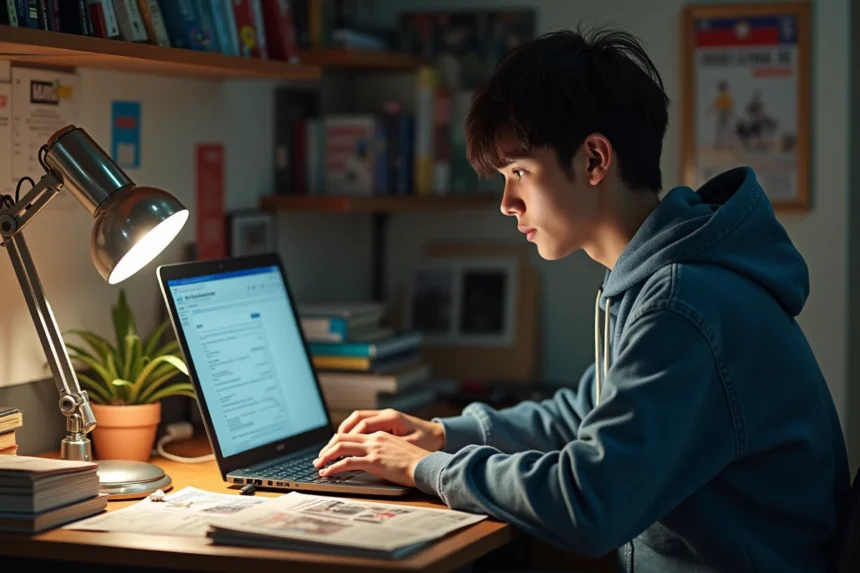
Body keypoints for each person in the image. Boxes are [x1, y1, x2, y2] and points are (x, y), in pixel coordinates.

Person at [313, 27, 850, 572]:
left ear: (595, 160)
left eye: (519, 172)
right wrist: (442, 434)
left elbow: (589, 500)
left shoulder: (683, 303)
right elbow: (584, 412)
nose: (507, 202)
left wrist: (422, 468)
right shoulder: (657, 277)